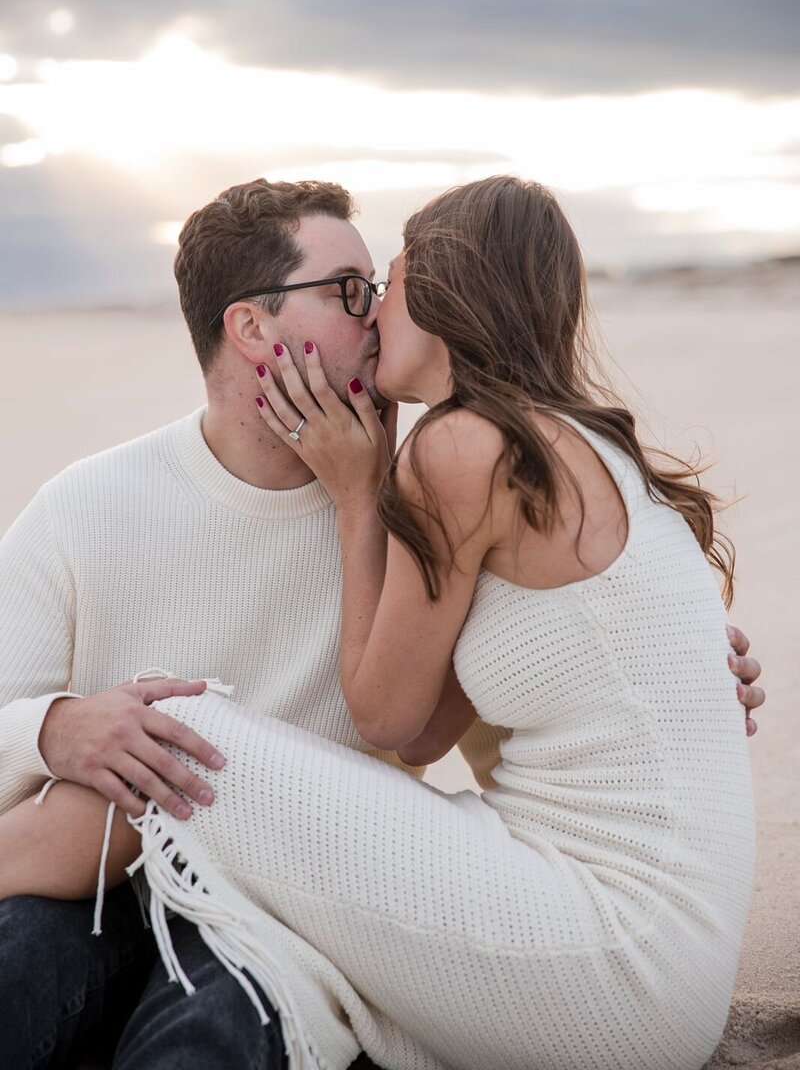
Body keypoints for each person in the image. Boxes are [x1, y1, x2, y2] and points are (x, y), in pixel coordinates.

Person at [0, 176, 760, 1070]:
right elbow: (464, 709)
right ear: (251, 328)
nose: (373, 314)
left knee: (181, 742)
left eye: (383, 285)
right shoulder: (86, 507)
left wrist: (360, 496)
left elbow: (409, 725)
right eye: (351, 290)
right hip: (97, 881)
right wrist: (55, 727)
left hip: (489, 936)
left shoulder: (442, 469)